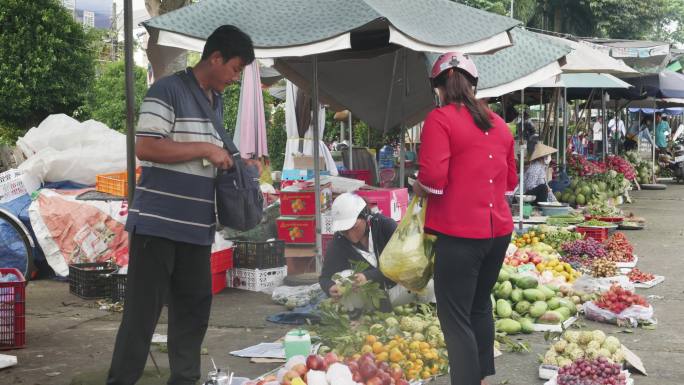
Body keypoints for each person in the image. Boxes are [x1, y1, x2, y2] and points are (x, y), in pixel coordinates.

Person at [107, 26, 257, 385]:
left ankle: (185, 380)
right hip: (157, 225)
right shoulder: (167, 90)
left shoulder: (215, 101)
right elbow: (146, 147)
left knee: (193, 310)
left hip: (196, 227)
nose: (235, 78)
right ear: (215, 58)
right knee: (141, 317)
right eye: (235, 69)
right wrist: (206, 150)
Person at [413, 52, 518, 385]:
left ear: (439, 87)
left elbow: (432, 179)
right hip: (498, 233)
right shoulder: (499, 124)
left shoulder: (440, 119)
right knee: (479, 307)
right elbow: (511, 182)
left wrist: (417, 185)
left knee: (455, 316)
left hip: (459, 235)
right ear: (474, 85)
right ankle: (482, 378)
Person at [319, 193, 397, 308]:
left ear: (365, 217)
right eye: (344, 230)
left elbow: (401, 266)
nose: (349, 234)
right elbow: (325, 277)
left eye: (353, 227)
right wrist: (330, 287)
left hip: (398, 291)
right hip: (368, 302)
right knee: (345, 277)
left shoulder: (385, 226)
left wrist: (369, 276)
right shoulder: (339, 241)